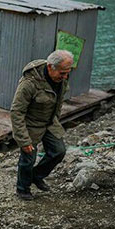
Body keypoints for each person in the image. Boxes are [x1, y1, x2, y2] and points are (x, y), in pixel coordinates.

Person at [10, 50, 73, 200]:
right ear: (51, 67)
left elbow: (58, 102)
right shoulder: (29, 83)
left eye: (67, 73)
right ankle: (22, 189)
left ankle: (36, 176)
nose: (65, 77)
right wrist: (23, 140)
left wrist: (56, 119)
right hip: (31, 126)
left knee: (58, 151)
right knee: (28, 158)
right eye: (62, 73)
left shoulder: (60, 79)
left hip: (50, 123)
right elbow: (16, 112)